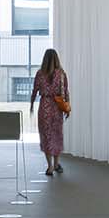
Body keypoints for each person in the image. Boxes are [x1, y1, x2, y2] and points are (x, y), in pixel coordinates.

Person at [28, 48, 69, 176]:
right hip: (57, 107)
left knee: (46, 136)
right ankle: (56, 164)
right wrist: (67, 108)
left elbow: (35, 90)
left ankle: (50, 166)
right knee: (56, 135)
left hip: (44, 107)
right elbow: (65, 91)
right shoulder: (61, 74)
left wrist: (31, 105)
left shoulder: (40, 73)